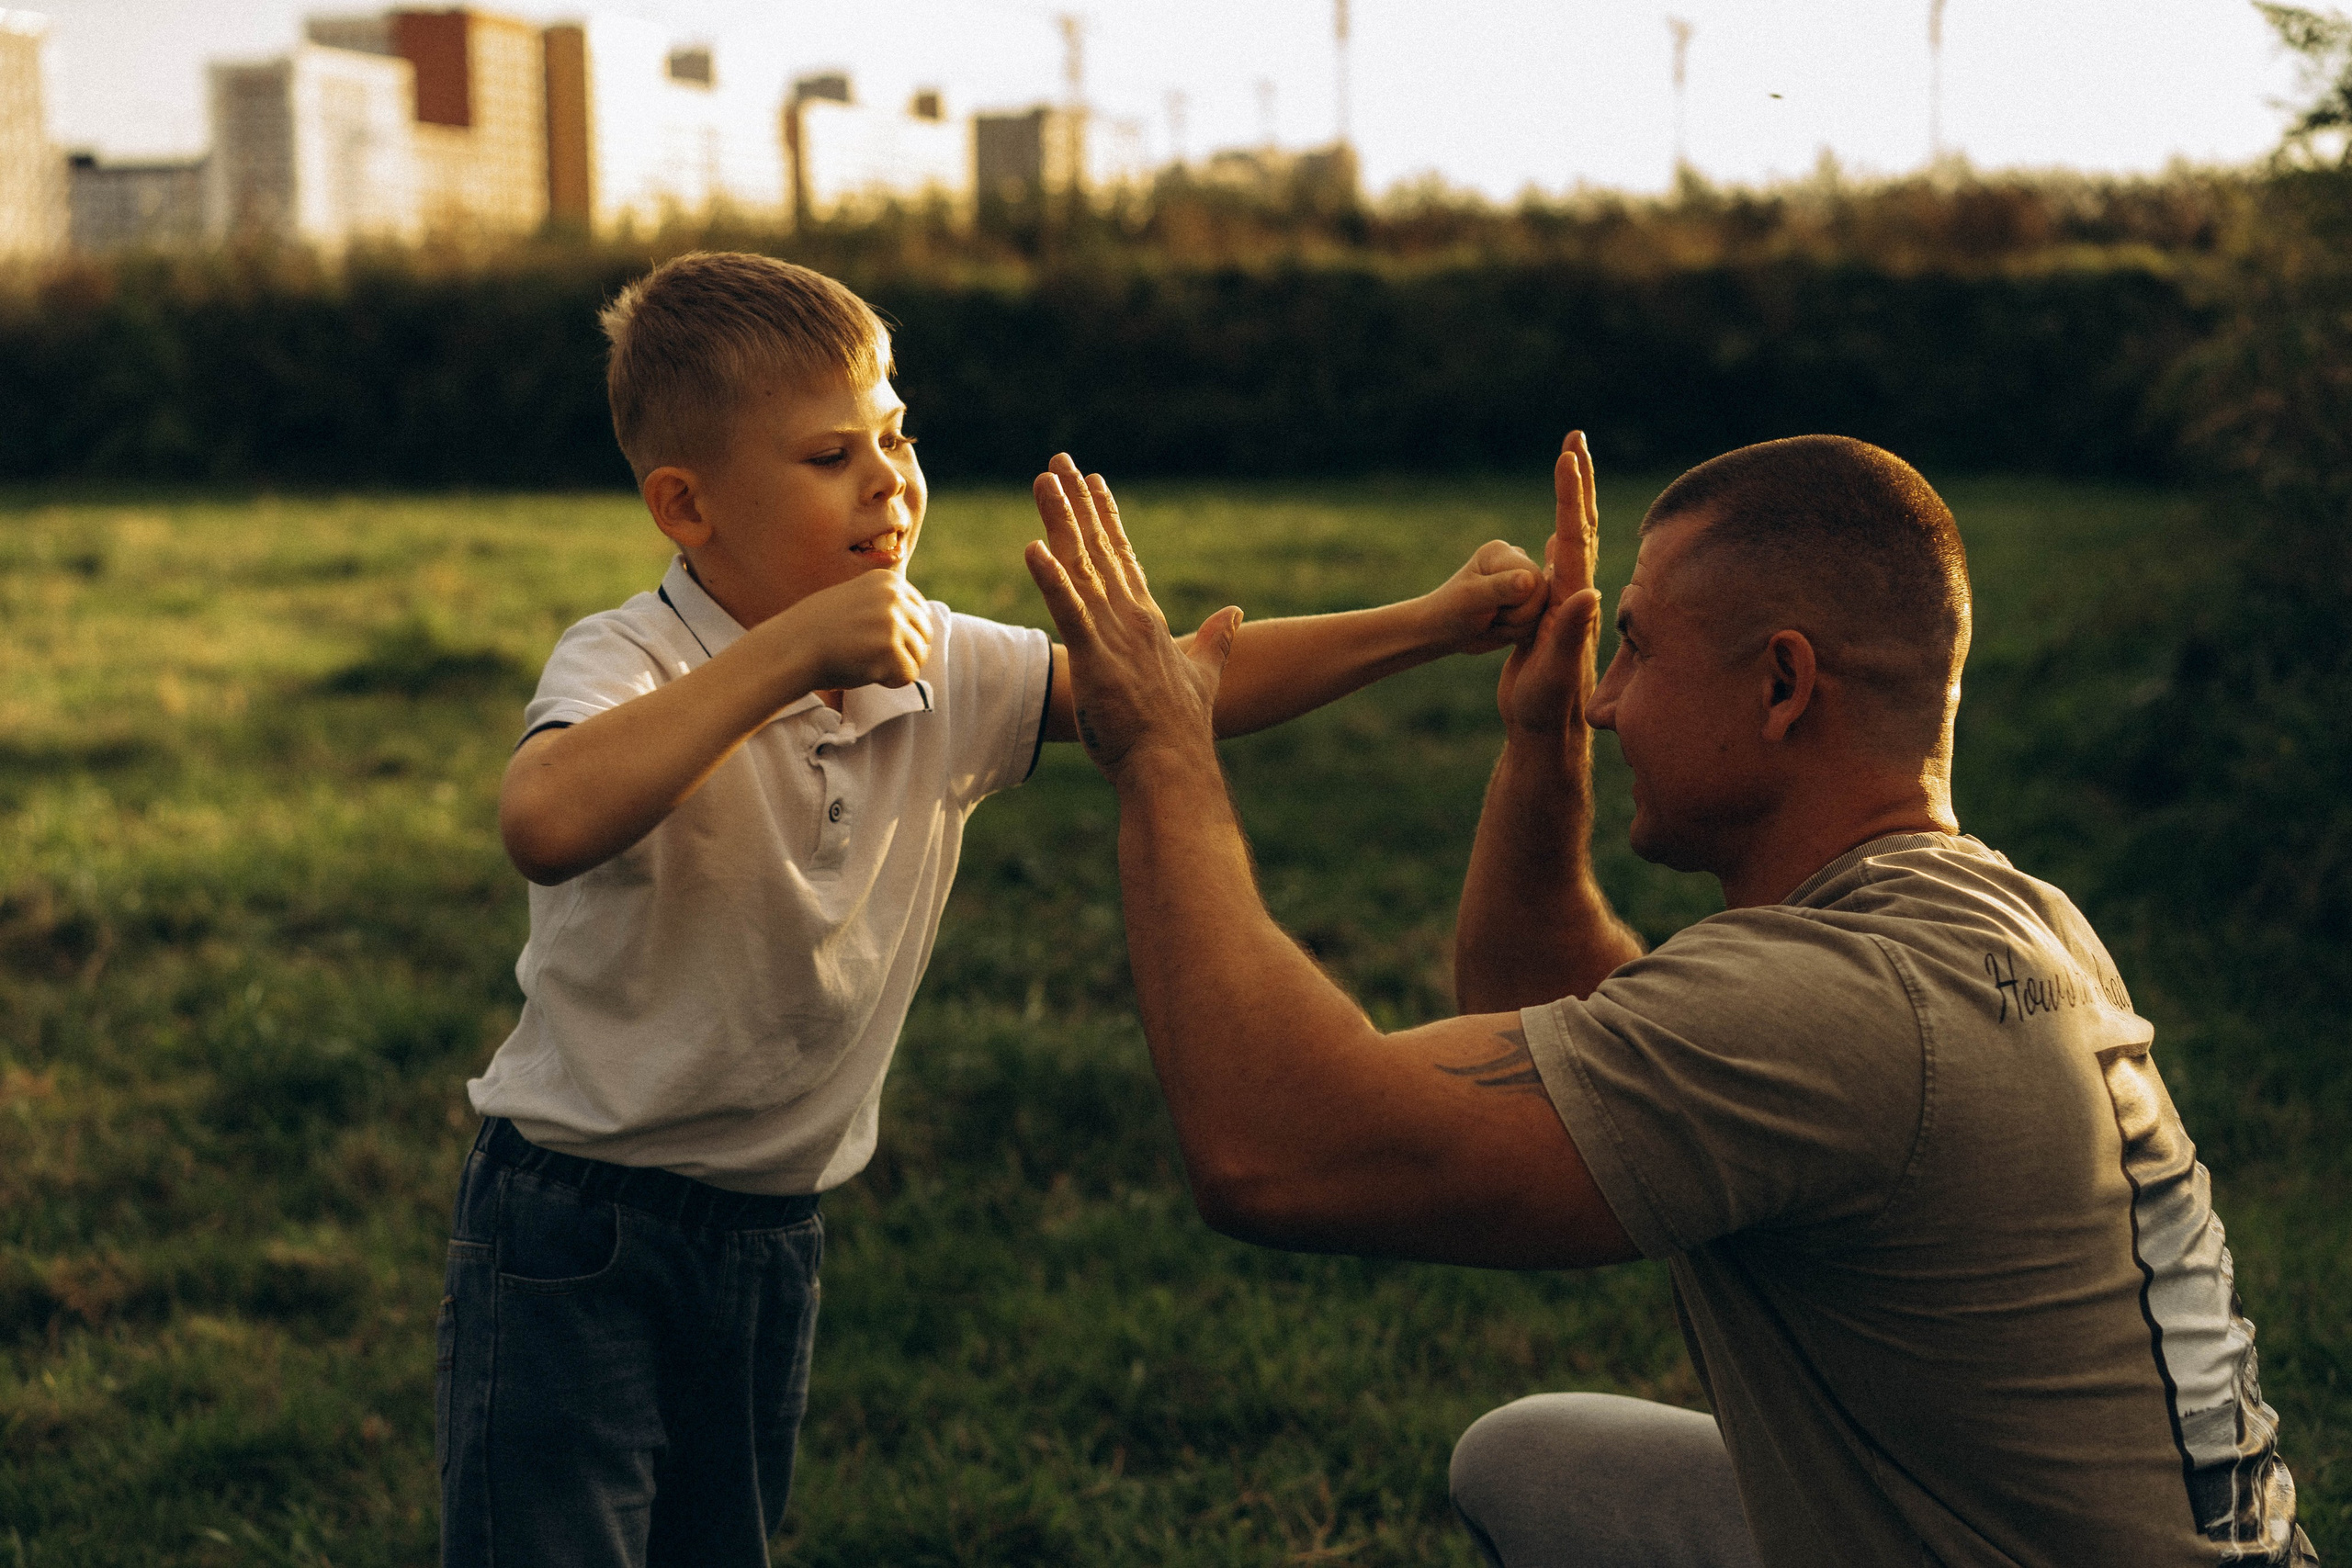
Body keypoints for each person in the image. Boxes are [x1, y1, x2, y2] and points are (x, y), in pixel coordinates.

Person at [433, 250, 1557, 1565]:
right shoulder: (628, 658)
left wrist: (1430, 621)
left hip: (767, 1232)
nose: (888, 479)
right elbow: (545, 819)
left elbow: (1172, 690)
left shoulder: (940, 659)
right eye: (828, 455)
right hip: (577, 1227)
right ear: (686, 506)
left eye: (895, 435)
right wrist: (789, 652)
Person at [1020, 430, 2316, 1568]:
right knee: (1536, 1465)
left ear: (1783, 684)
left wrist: (1164, 749)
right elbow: (1555, 1018)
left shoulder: (1850, 1012)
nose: (1606, 696)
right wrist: (1540, 748)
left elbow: (1278, 1151)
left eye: (1634, 649)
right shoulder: (2005, 919)